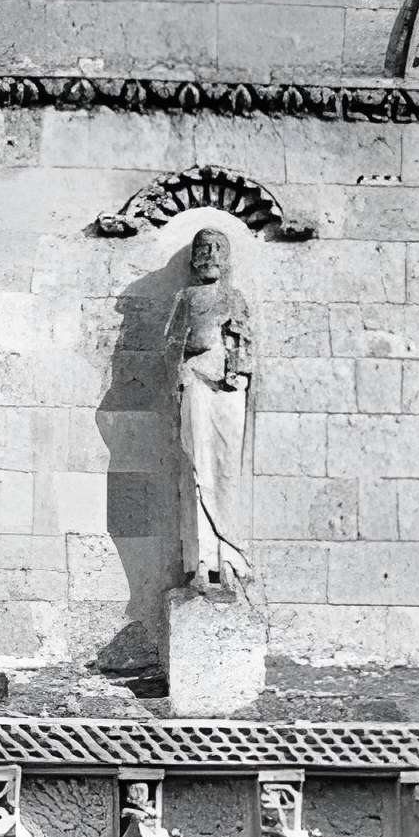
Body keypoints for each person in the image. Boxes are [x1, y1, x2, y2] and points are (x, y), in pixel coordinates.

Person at [167, 227, 254, 588]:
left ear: (227, 256)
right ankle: (201, 562)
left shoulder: (235, 298)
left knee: (226, 469)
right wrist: (187, 364)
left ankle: (229, 558)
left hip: (228, 387)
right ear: (193, 257)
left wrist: (236, 365)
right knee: (197, 467)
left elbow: (245, 345)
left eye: (218, 247)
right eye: (203, 247)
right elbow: (171, 343)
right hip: (196, 381)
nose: (210, 253)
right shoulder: (185, 297)